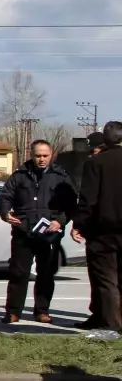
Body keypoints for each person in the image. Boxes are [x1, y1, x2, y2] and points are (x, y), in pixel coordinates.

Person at [0, 139, 78, 324]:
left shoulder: (61, 177)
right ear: (31, 155)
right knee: (18, 273)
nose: (42, 159)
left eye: (45, 155)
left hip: (49, 233)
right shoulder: (19, 175)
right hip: (23, 230)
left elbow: (71, 204)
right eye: (38, 155)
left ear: (51, 155)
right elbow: (5, 197)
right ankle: (13, 311)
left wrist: (60, 221)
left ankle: (42, 310)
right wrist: (5, 212)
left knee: (46, 273)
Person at [72, 121, 122, 331]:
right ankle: (105, 319)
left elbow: (88, 199)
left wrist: (79, 224)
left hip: (102, 230)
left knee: (105, 279)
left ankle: (112, 325)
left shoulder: (96, 163)